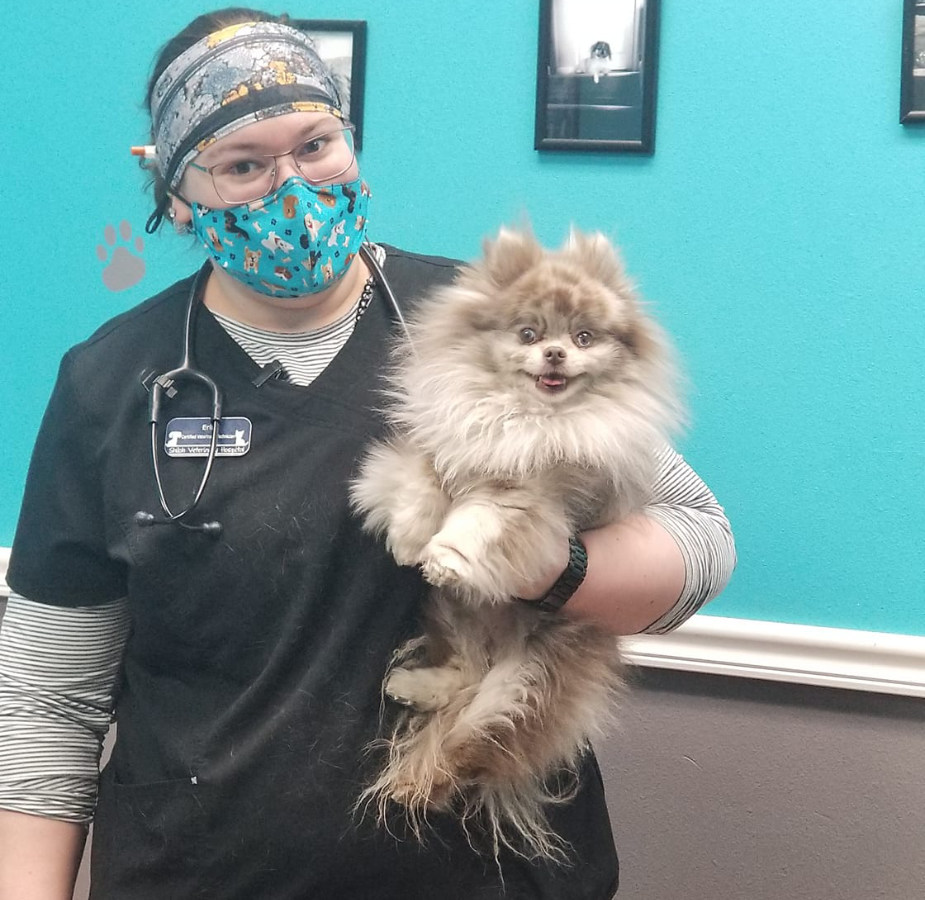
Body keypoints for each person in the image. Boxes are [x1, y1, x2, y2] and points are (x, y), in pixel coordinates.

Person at [0, 9, 736, 899]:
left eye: (316, 145)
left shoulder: (483, 322)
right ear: (175, 191)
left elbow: (698, 539)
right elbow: (48, 700)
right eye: (243, 165)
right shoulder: (112, 383)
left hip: (484, 870)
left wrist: (554, 564)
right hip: (203, 870)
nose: (293, 188)